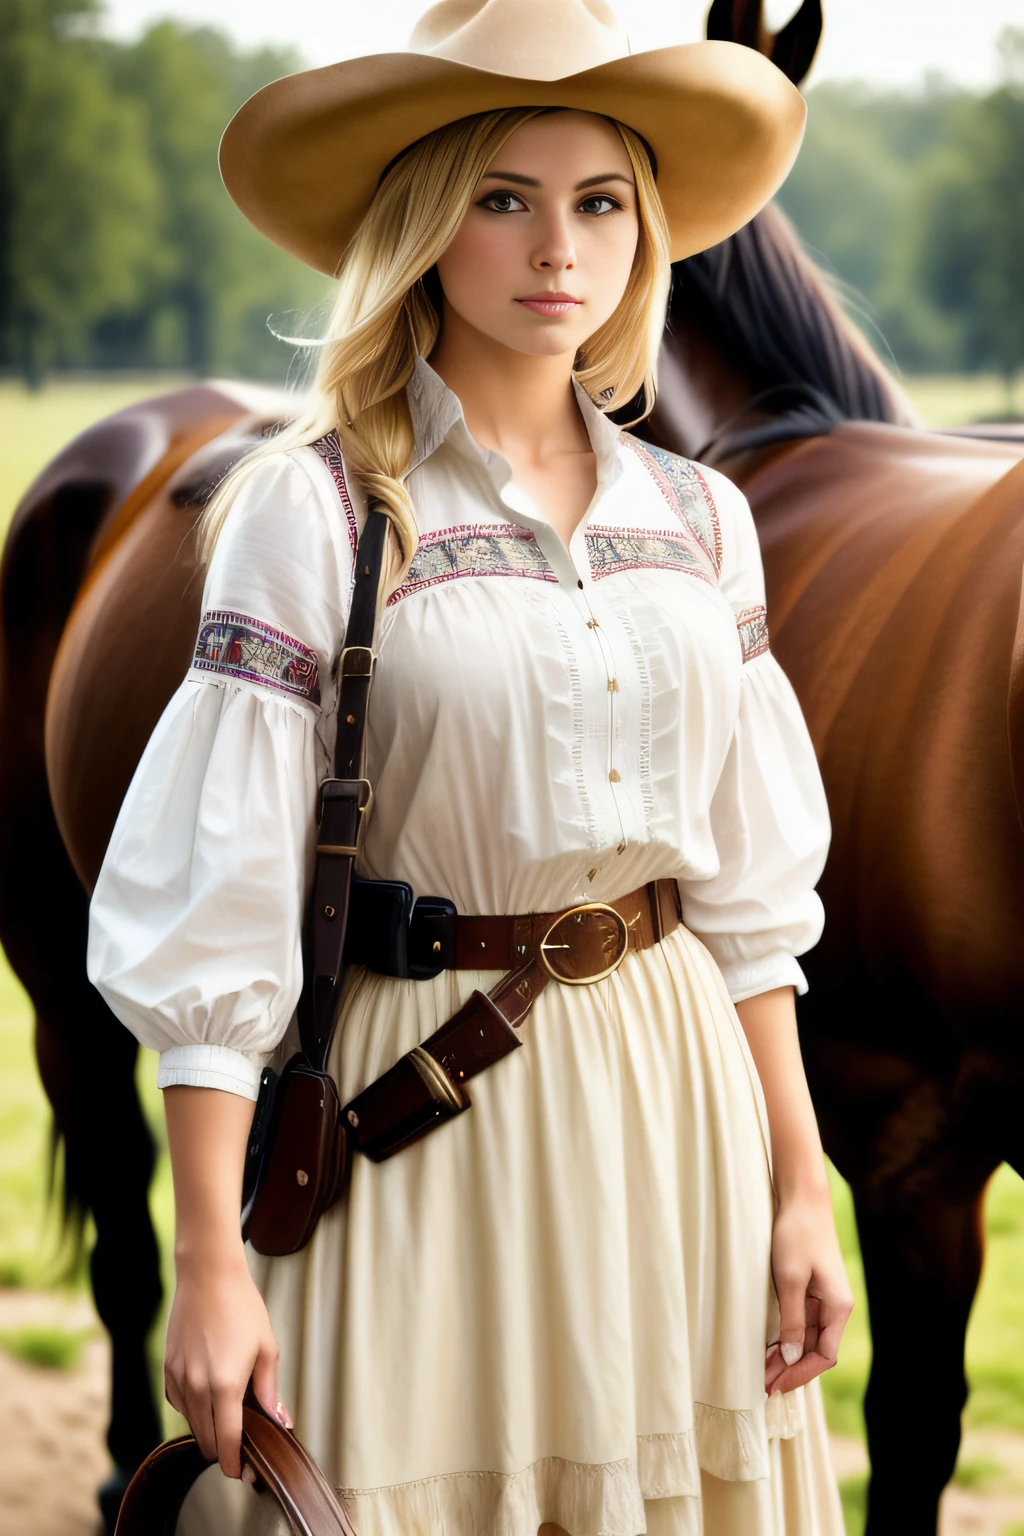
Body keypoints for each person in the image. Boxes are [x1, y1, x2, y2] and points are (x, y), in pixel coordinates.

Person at [87, 2, 854, 1531]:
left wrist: (795, 1179)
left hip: (676, 1100)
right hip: (421, 1107)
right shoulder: (313, 515)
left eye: (600, 201)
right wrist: (209, 1261)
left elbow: (751, 902)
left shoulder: (704, 522)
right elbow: (219, 919)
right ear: (427, 222)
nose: (556, 248)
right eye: (503, 197)